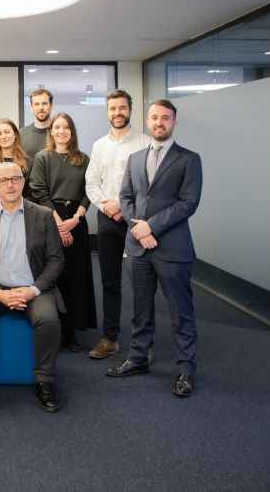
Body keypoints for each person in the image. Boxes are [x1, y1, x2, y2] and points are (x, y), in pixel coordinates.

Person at [105, 100, 203, 399]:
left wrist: (152, 227)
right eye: (154, 117)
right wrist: (138, 229)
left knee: (180, 311)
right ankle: (138, 358)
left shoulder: (189, 159)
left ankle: (186, 369)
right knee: (140, 309)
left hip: (172, 248)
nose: (159, 122)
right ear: (147, 120)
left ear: (174, 121)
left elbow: (188, 202)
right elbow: (125, 197)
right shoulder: (135, 158)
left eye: (165, 118)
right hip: (138, 248)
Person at [0, 161, 64, 418]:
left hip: (33, 288)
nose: (10, 184)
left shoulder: (43, 215)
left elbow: (56, 260)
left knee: (48, 319)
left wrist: (33, 290)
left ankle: (45, 381)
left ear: (23, 182)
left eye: (15, 178)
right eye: (3, 180)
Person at [84, 89, 152, 360]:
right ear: (107, 112)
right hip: (107, 217)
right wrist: (106, 206)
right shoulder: (99, 145)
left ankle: (143, 342)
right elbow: (91, 182)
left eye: (122, 108)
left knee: (142, 281)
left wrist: (123, 208)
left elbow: (149, 185)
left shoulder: (145, 142)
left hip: (137, 219)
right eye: (113, 108)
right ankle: (110, 338)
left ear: (130, 110)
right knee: (110, 280)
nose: (118, 113)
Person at [29, 112, 96, 352]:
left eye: (66, 127)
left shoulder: (83, 159)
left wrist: (76, 218)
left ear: (72, 131)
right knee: (54, 276)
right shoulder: (43, 157)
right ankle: (54, 330)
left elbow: (90, 191)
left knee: (76, 276)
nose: (61, 131)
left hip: (77, 219)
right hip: (51, 218)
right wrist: (59, 223)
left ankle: (72, 332)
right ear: (51, 131)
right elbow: (38, 190)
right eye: (57, 127)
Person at [20, 88, 53, 159]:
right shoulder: (21, 134)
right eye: (36, 104)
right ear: (31, 107)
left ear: (51, 106)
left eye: (44, 103)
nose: (41, 108)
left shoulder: (59, 133)